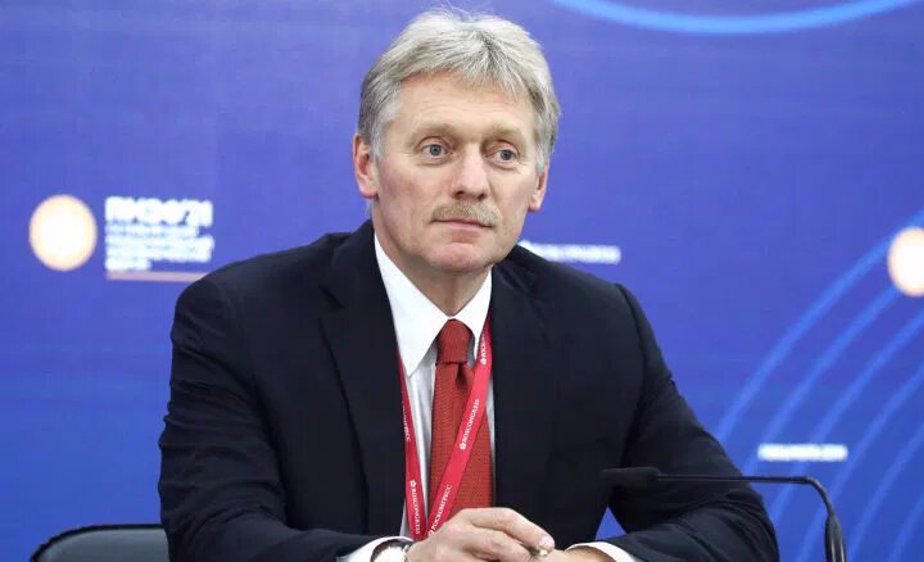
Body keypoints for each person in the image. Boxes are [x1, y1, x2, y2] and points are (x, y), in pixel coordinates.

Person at [158, 9, 778, 562]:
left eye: (504, 153)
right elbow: (216, 535)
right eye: (436, 148)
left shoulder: (598, 325)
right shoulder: (247, 318)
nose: (472, 183)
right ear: (367, 165)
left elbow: (736, 526)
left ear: (537, 185)